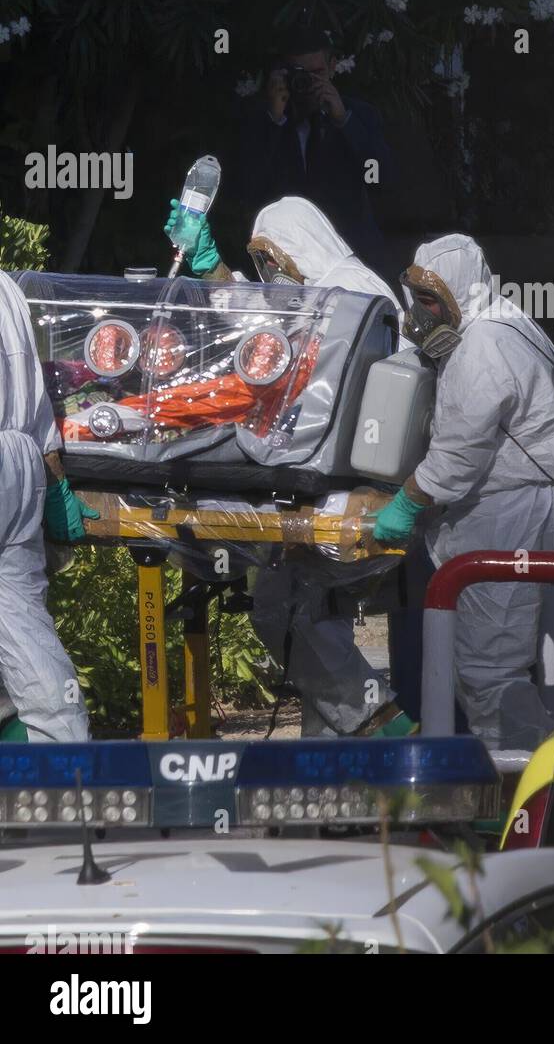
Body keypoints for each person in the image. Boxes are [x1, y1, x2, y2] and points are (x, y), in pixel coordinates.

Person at [162, 194, 413, 737]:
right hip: (339, 483)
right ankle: (333, 783)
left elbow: (281, 342)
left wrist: (212, 270)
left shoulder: (355, 293)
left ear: (299, 246)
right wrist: (214, 271)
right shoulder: (333, 289)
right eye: (261, 262)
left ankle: (383, 722)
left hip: (354, 492)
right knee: (315, 619)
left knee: (284, 612)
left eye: (272, 259)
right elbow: (269, 325)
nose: (269, 273)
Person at [371, 235, 554, 750]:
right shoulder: (509, 320)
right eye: (416, 297)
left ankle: (514, 786)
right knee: (532, 663)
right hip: (533, 509)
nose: (421, 314)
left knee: (489, 669)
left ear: (458, 292)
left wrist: (407, 501)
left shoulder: (482, 346)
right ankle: (545, 772)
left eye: (430, 300)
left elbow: (457, 453)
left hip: (510, 518)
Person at [0, 271, 93, 742]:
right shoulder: (7, 288)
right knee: (20, 623)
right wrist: (55, 487)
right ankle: (63, 755)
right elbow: (38, 398)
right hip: (20, 466)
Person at [233, 26, 397, 270]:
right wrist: (274, 121)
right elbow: (246, 190)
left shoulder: (359, 115)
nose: (308, 82)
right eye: (298, 74)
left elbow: (383, 180)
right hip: (287, 258)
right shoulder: (263, 120)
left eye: (317, 72)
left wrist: (344, 121)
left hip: (353, 256)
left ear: (332, 66)